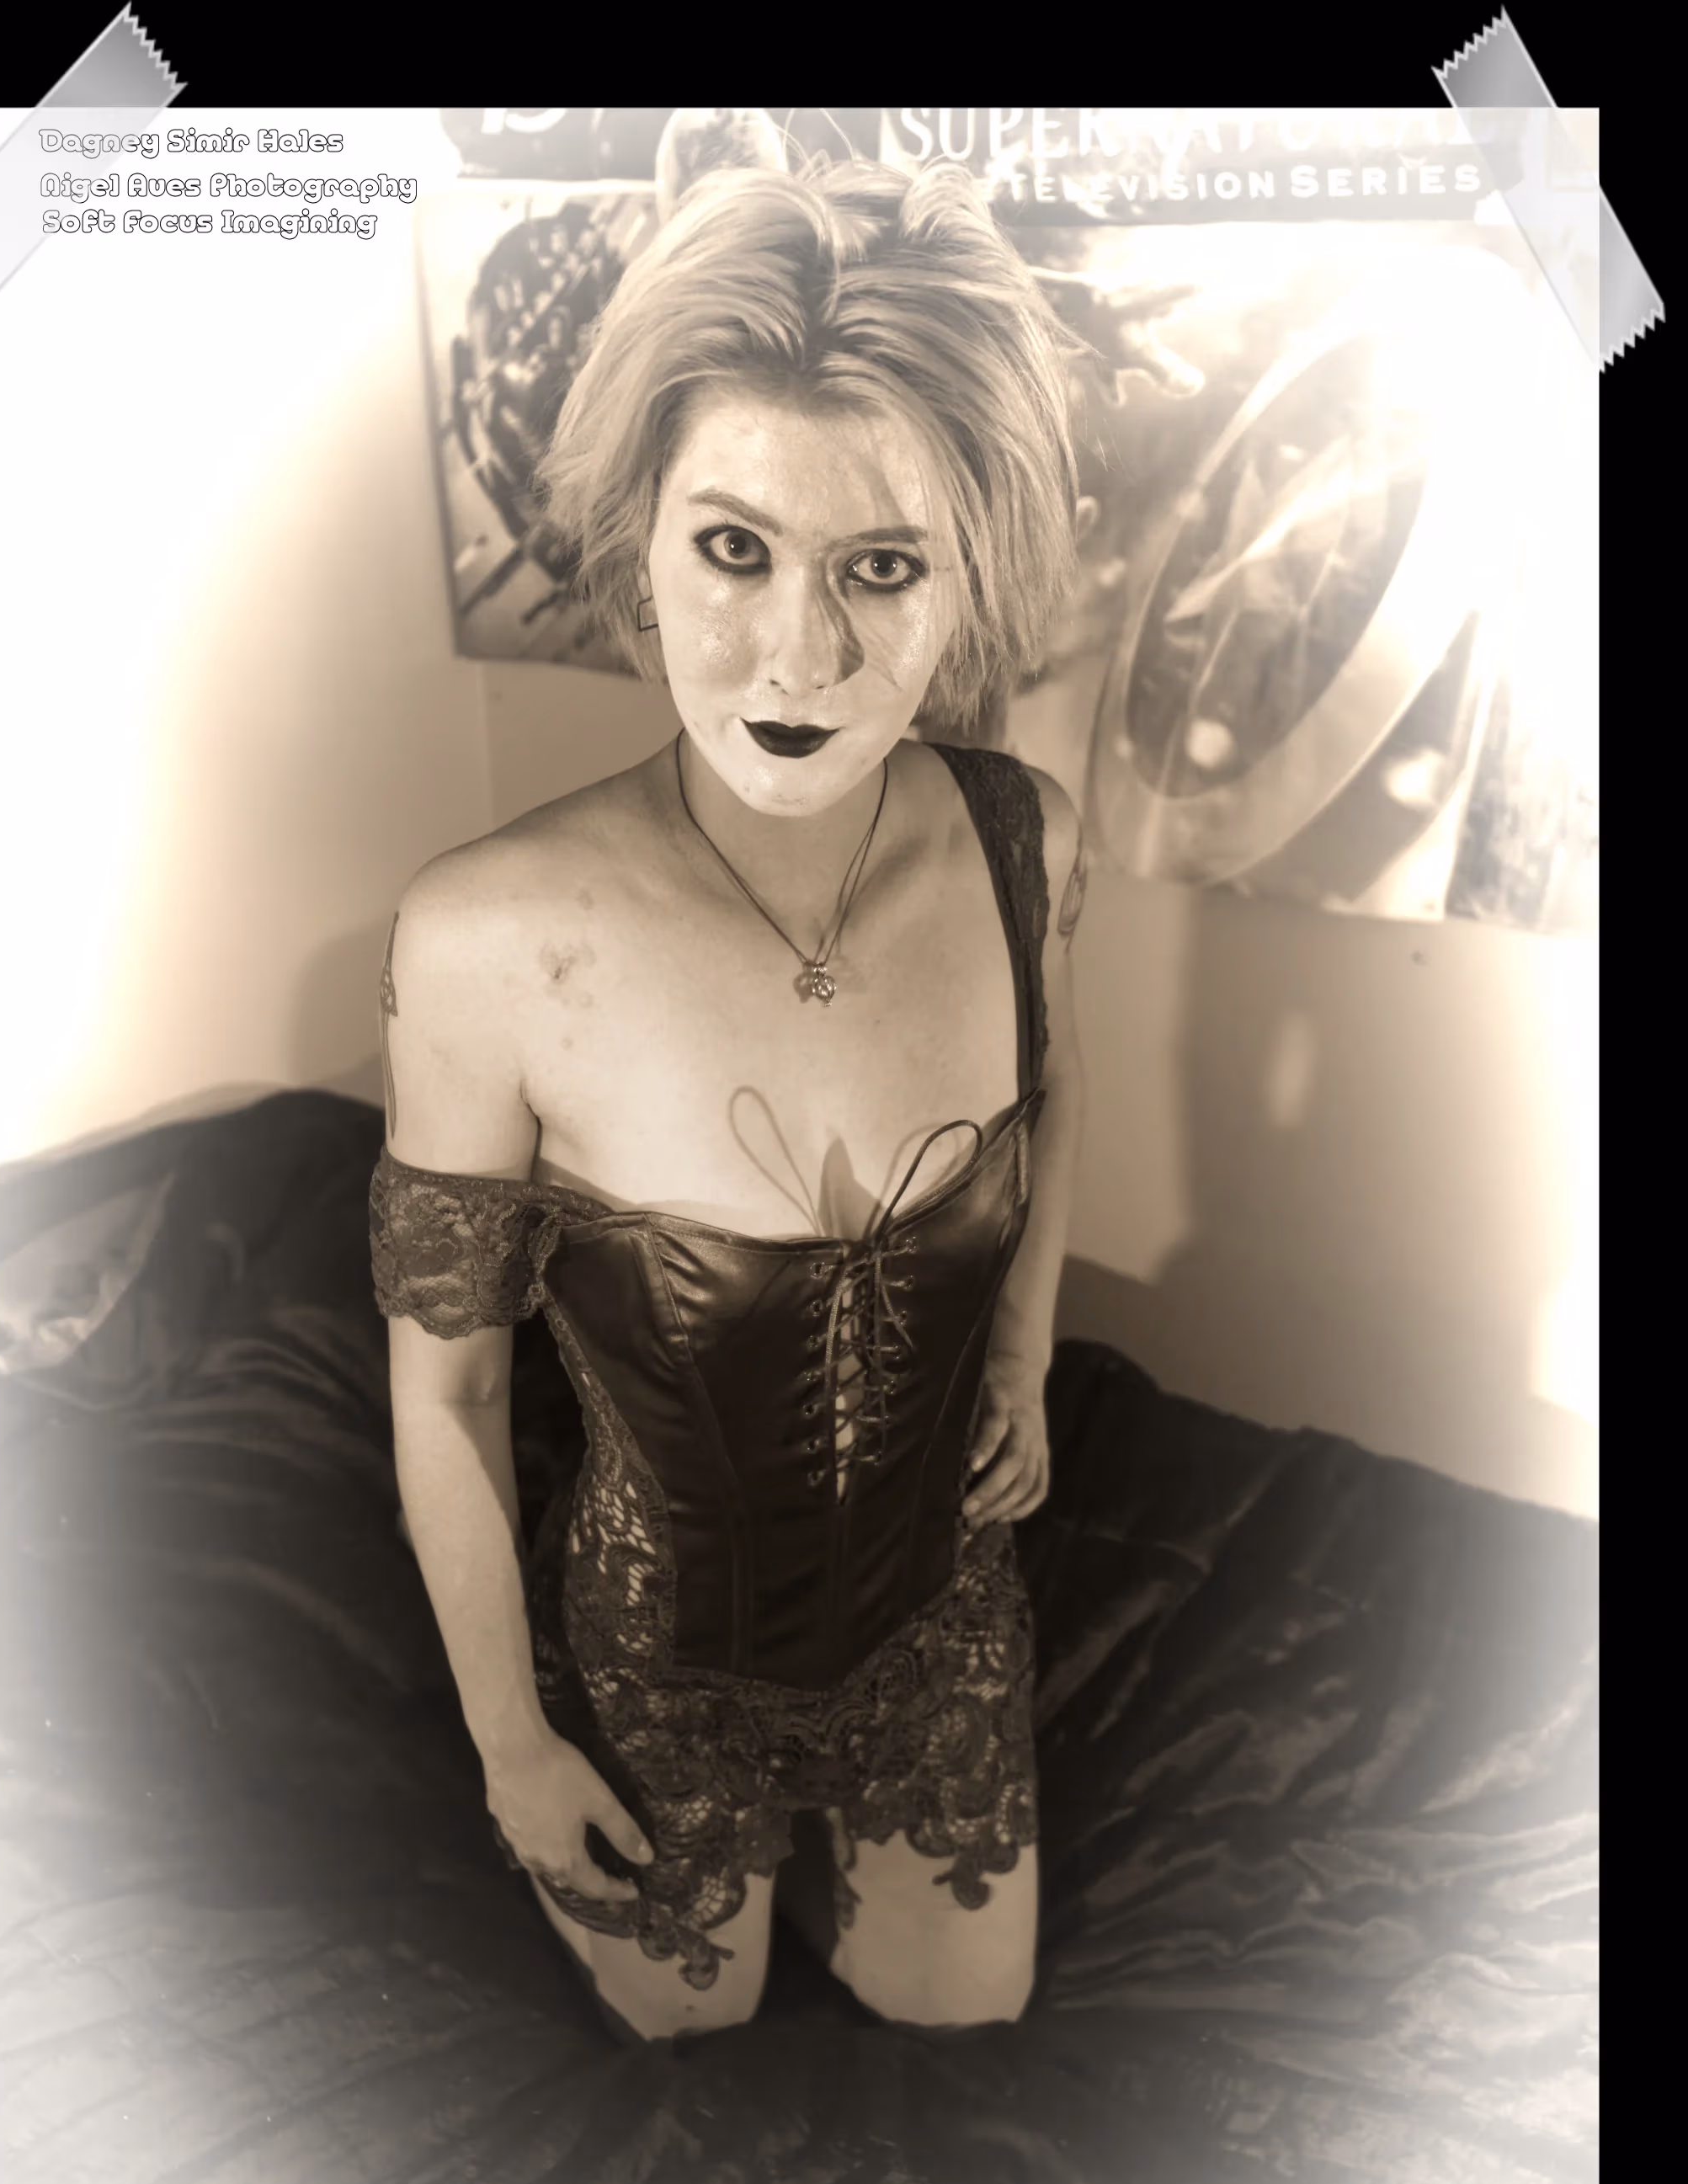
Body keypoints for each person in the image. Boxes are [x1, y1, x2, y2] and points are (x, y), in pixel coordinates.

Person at [370, 157, 1091, 2046]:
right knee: (694, 2032)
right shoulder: (486, 940)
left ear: (968, 575)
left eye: (882, 567)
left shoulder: (1021, 844)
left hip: (943, 1626)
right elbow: (448, 1393)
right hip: (654, 1672)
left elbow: (1052, 1103)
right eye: (734, 549)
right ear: (641, 546)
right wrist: (514, 1749)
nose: (800, 658)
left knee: (968, 2025)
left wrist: (1022, 1357)